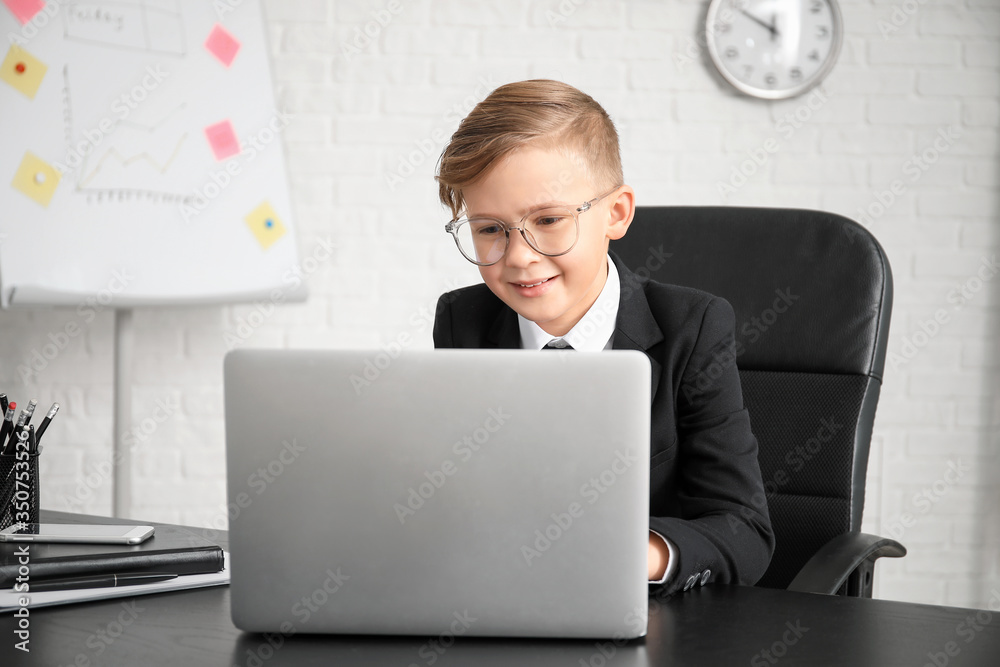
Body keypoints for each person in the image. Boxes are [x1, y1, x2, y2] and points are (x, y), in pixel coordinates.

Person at [432, 79, 774, 596]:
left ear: (616, 213)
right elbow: (460, 496)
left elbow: (744, 533)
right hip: (507, 600)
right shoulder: (463, 320)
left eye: (548, 220)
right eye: (489, 229)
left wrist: (637, 554)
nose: (519, 256)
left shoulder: (693, 327)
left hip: (647, 617)